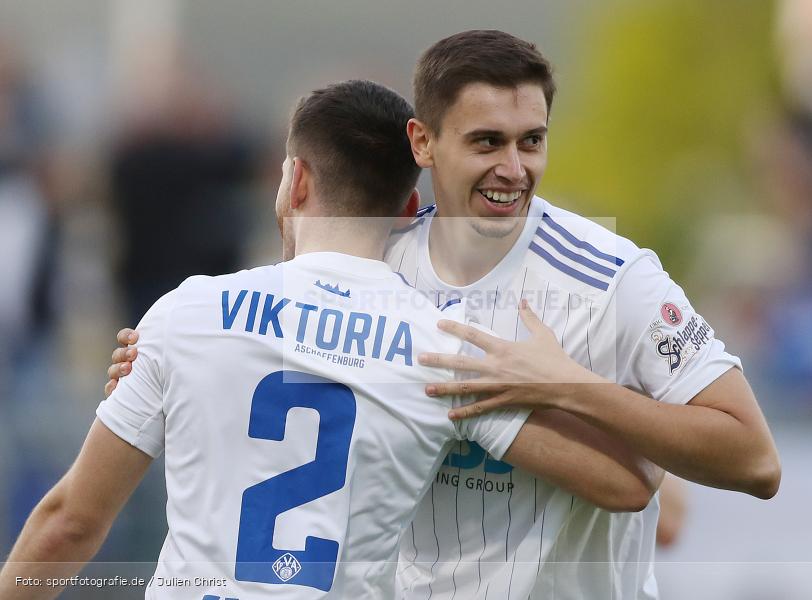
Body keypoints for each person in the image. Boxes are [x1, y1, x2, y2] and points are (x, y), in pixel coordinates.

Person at [105, 30, 780, 599]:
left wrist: (570, 386)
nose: (514, 168)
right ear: (422, 144)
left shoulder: (614, 278)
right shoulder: (378, 265)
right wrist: (161, 357)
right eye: (487, 143)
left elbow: (754, 463)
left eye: (532, 141)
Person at [0, 80, 655, 600]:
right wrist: (554, 381)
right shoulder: (445, 350)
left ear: (296, 182)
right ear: (406, 212)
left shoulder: (187, 312)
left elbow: (70, 523)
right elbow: (626, 486)